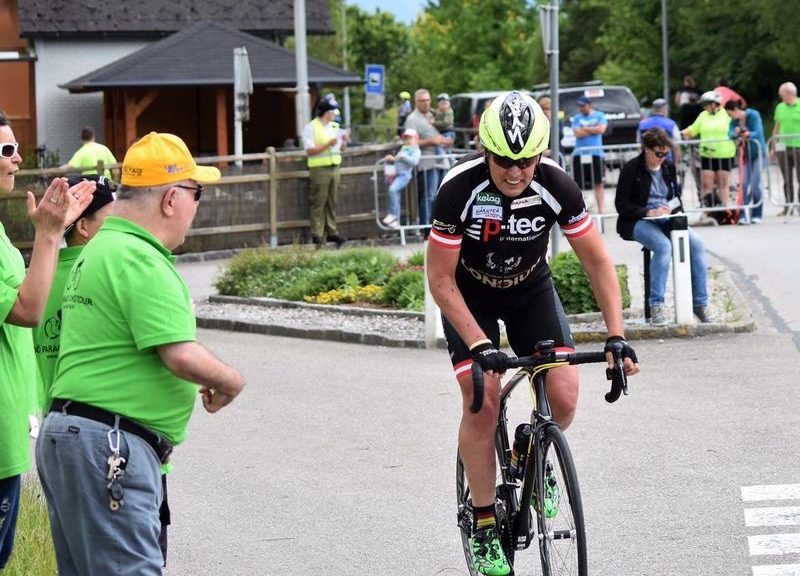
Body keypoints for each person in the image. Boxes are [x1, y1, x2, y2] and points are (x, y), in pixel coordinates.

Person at [427, 91, 639, 576]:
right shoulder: (459, 190)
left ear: (541, 154)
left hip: (529, 290)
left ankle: (530, 446)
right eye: (504, 159)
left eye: (526, 160)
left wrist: (615, 336)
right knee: (481, 399)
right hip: (469, 294)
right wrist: (480, 345)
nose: (515, 171)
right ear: (485, 149)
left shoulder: (556, 186)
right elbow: (439, 280)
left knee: (563, 397)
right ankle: (483, 524)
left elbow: (597, 262)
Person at [35, 131, 246, 576]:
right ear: (171, 199)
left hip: (73, 436)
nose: (196, 207)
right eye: (196, 193)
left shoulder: (101, 249)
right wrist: (230, 380)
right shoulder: (141, 258)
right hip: (110, 444)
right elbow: (178, 354)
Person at [0, 111, 94, 569]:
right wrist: (50, 233)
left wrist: (54, 236)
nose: (18, 158)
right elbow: (28, 310)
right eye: (5, 149)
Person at [32, 175, 115, 406]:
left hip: (50, 414)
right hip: (104, 421)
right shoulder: (109, 273)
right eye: (112, 219)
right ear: (83, 226)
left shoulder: (33, 279)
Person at [615, 128, 712, 325]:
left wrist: (670, 208)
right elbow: (622, 204)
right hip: (637, 220)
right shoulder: (632, 168)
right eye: (658, 153)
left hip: (666, 217)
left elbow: (677, 199)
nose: (662, 158)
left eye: (665, 153)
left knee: (698, 245)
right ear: (647, 150)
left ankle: (700, 304)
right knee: (663, 246)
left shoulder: (668, 167)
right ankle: (656, 305)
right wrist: (646, 212)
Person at [681, 91, 736, 213]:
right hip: (707, 154)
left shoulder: (726, 114)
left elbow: (735, 127)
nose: (705, 107)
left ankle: (724, 210)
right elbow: (693, 129)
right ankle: (707, 211)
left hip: (724, 154)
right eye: (704, 105)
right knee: (706, 184)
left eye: (706, 104)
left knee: (723, 183)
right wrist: (681, 133)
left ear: (715, 104)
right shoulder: (703, 115)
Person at [303, 99, 349, 247]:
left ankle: (332, 232)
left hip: (335, 166)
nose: (334, 115)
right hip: (319, 168)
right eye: (331, 112)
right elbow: (310, 150)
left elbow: (341, 149)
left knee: (332, 201)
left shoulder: (335, 126)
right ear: (325, 113)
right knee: (318, 201)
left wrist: (344, 142)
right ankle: (317, 233)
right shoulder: (311, 127)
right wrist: (327, 145)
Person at [404, 88, 452, 227]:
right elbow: (409, 143)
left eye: (427, 100)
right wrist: (432, 141)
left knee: (443, 196)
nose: (426, 103)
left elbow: (447, 128)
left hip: (442, 160)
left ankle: (441, 227)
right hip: (426, 163)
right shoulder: (412, 119)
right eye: (422, 101)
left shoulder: (435, 115)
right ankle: (426, 228)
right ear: (416, 102)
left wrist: (447, 140)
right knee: (428, 196)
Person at [725, 100, 766, 224]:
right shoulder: (735, 121)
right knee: (743, 184)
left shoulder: (753, 114)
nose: (730, 117)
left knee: (755, 184)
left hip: (758, 154)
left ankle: (757, 213)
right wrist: (735, 133)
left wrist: (748, 134)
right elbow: (730, 133)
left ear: (735, 110)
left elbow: (758, 132)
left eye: (730, 114)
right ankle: (742, 214)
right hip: (745, 156)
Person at [571, 96, 608, 213]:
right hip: (580, 154)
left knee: (599, 183)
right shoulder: (577, 117)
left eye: (583, 106)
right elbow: (577, 133)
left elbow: (601, 130)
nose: (581, 108)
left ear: (589, 105)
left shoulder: (600, 115)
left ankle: (601, 209)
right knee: (578, 185)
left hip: (596, 154)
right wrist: (593, 129)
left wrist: (585, 128)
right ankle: (580, 209)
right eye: (580, 106)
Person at [769, 82, 800, 215]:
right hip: (783, 146)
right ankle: (788, 206)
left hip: (798, 146)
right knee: (786, 178)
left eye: (783, 96)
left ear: (790, 94)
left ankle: (798, 204)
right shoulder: (780, 107)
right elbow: (777, 127)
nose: (781, 98)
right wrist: (773, 147)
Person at [382, 128, 421, 229]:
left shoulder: (416, 150)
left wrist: (403, 156)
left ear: (416, 139)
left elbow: (414, 162)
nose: (407, 140)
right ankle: (396, 220)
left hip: (404, 175)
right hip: (396, 174)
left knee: (393, 190)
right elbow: (397, 160)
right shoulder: (404, 148)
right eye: (405, 138)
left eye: (409, 138)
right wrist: (392, 159)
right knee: (395, 194)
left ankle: (393, 216)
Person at [638, 98, 681, 163]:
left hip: (647, 162)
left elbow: (639, 144)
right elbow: (676, 146)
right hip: (666, 161)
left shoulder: (642, 124)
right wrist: (676, 165)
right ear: (664, 109)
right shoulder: (671, 124)